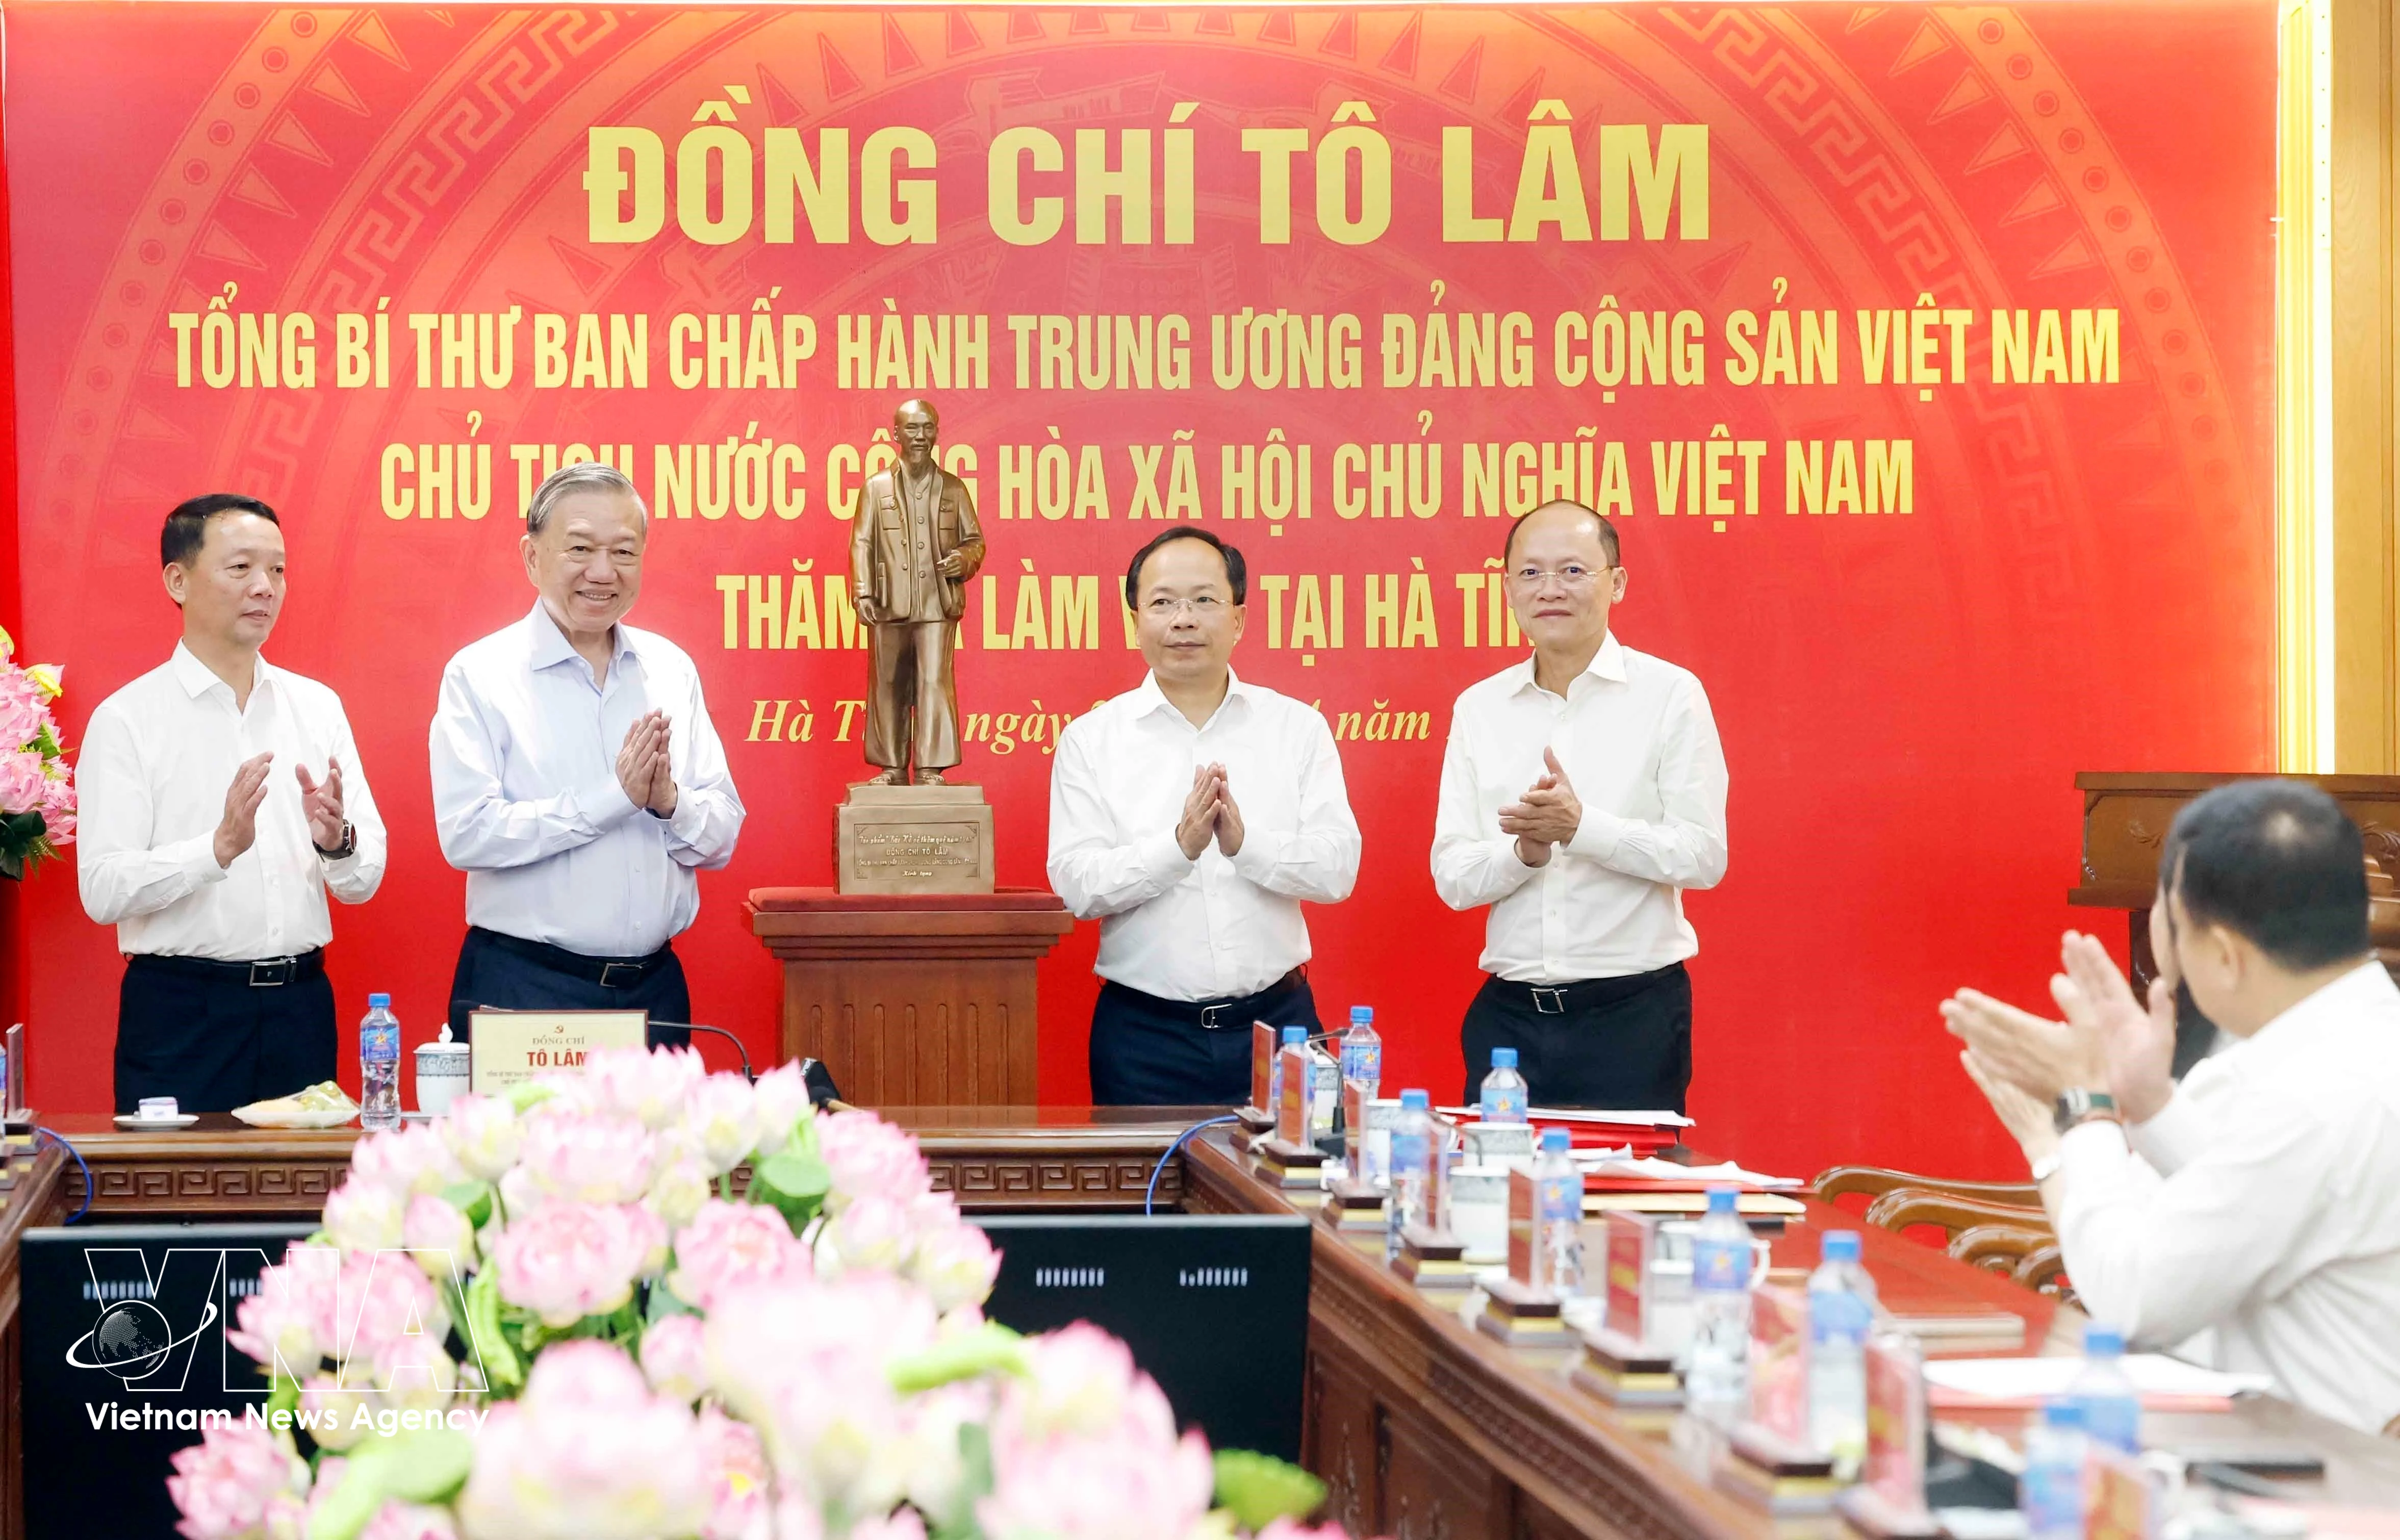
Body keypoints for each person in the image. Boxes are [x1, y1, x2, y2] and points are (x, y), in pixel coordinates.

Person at [1943, 780, 2400, 1435]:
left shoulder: (2311, 1097)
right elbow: (2255, 1191)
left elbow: (2132, 1294)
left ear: (2221, 953)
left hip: (2309, 1484)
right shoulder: (2354, 1040)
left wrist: (2079, 1112)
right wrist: (2147, 1103)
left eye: (2169, 916)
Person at [79, 494, 386, 1113]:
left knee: (303, 1202)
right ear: (178, 579)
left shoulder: (316, 705)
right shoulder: (127, 718)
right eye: (241, 567)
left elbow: (363, 880)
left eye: (277, 570)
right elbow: (102, 888)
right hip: (181, 1015)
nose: (264, 587)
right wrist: (213, 850)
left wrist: (338, 842)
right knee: (177, 1201)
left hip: (300, 1006)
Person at [430, 462, 744, 1045]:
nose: (602, 572)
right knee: (524, 1143)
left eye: (624, 552)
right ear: (531, 556)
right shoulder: (481, 674)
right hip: (525, 990)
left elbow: (722, 835)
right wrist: (612, 800)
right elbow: (468, 833)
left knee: (663, 1142)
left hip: (655, 990)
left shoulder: (670, 670)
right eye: (580, 548)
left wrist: (668, 802)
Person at [1431, 501, 1727, 1112]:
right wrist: (1525, 851)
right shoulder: (1479, 708)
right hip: (1507, 1021)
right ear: (1507, 587)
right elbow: (1454, 878)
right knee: (1497, 1202)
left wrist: (1581, 828)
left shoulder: (1670, 695)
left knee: (1626, 1202)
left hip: (1631, 1018)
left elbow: (1702, 855)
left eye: (1572, 571)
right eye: (1531, 573)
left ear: (1615, 581)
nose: (1550, 589)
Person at [1048, 528, 1361, 1105]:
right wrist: (1177, 849)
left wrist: (1245, 845)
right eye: (1162, 602)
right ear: (1135, 619)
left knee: (1290, 1194)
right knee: (1144, 1194)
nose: (1183, 619)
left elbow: (1336, 869)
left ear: (1238, 619)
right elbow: (1077, 888)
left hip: (1281, 1029)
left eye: (1204, 600)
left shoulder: (1295, 728)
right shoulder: (1092, 740)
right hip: (1144, 1038)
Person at [852, 398, 985, 785]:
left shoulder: (954, 488)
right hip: (888, 602)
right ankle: (891, 767)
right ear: (895, 434)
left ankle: (930, 767)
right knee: (888, 682)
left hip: (937, 604)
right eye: (913, 428)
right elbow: (862, 542)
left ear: (937, 433)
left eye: (928, 428)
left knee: (934, 683)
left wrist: (964, 559)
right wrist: (863, 592)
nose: (921, 436)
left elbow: (975, 541)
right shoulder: (876, 488)